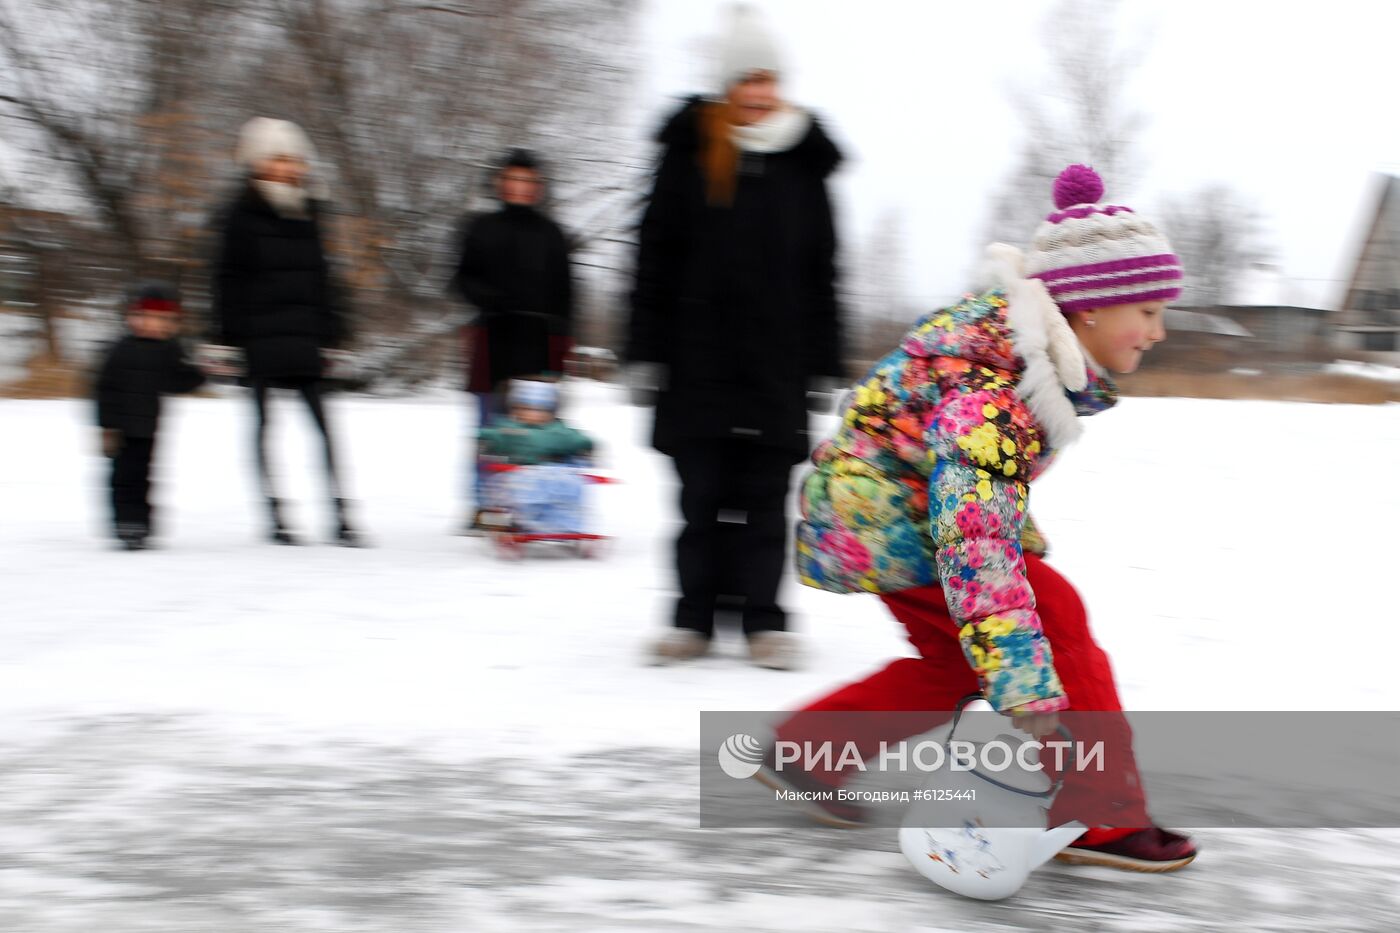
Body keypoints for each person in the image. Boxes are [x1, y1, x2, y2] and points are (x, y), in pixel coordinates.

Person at [761, 165, 1198, 871]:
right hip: (889, 518)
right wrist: (1025, 681)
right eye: (1147, 310)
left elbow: (979, 505)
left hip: (877, 511)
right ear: (1089, 306)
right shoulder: (997, 389)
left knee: (958, 662)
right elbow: (977, 542)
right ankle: (1101, 814)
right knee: (1050, 621)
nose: (1158, 330)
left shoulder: (1026, 356)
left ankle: (807, 750)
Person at [628, 5, 846, 670]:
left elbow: (822, 270)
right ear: (727, 85)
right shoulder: (690, 152)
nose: (759, 92)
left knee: (763, 502)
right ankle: (692, 618)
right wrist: (645, 350)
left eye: (769, 79)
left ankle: (763, 621)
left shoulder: (803, 165)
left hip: (774, 363)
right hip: (697, 361)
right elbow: (654, 257)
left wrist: (823, 361)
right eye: (747, 80)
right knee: (699, 499)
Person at [212, 117, 361, 546]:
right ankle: (275, 514)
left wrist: (334, 327)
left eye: (295, 159)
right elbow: (226, 279)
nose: (290, 167)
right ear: (259, 162)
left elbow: (324, 275)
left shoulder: (310, 209)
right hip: (258, 334)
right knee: (262, 427)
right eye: (280, 158)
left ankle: (340, 514)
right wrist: (228, 337)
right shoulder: (239, 213)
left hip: (305, 334)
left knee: (323, 428)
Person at [450, 149, 576, 531]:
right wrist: (490, 299)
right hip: (493, 335)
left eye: (527, 181)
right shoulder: (479, 226)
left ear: (538, 188)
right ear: (500, 183)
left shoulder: (551, 233)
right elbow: (459, 279)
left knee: (534, 428)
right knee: (489, 425)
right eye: (513, 180)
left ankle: (528, 502)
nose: (520, 188)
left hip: (538, 340)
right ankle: (483, 502)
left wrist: (562, 346)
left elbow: (566, 293)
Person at [94, 282, 206, 550]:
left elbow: (178, 382)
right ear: (133, 318)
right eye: (147, 318)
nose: (153, 326)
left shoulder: (169, 350)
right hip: (120, 427)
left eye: (162, 321)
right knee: (123, 477)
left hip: (148, 427)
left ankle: (142, 523)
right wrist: (106, 426)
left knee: (144, 476)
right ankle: (126, 524)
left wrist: (200, 373)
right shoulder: (120, 349)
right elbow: (104, 388)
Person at [476, 379, 595, 536]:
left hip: (553, 473)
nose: (533, 414)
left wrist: (586, 446)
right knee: (517, 489)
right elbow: (493, 435)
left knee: (571, 484)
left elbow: (576, 439)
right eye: (526, 408)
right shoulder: (509, 429)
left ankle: (565, 522)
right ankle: (510, 521)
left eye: (541, 410)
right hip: (518, 473)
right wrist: (483, 439)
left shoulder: (558, 430)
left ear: (551, 411)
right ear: (516, 409)